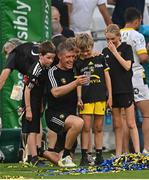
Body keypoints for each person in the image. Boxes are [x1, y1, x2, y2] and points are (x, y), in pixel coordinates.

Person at [45, 39, 89, 167]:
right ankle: (65, 156)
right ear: (59, 56)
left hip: (70, 115)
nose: (71, 60)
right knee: (79, 122)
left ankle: (44, 152)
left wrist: (79, 97)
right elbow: (55, 92)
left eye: (73, 57)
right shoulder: (52, 72)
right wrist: (75, 83)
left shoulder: (74, 68)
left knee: (61, 162)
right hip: (55, 116)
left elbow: (87, 54)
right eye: (68, 57)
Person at [102, 24, 140, 156]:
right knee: (117, 125)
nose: (109, 42)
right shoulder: (104, 51)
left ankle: (138, 153)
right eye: (107, 39)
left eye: (112, 38)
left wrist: (114, 52)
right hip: (113, 92)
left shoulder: (126, 48)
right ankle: (118, 154)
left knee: (130, 123)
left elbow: (127, 66)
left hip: (126, 90)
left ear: (119, 36)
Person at [75, 33, 112, 165]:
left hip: (100, 98)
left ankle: (99, 155)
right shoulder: (78, 62)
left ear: (92, 46)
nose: (85, 53)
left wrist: (110, 96)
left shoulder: (100, 57)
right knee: (86, 128)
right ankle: (85, 155)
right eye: (82, 51)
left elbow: (107, 77)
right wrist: (79, 98)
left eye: (87, 50)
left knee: (98, 127)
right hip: (86, 99)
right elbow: (78, 82)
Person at [22, 41, 56, 165]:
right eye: (48, 58)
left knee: (36, 129)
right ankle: (33, 158)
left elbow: (40, 89)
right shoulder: (36, 69)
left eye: (52, 58)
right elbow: (27, 89)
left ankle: (34, 155)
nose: (51, 60)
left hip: (37, 102)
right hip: (30, 102)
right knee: (32, 130)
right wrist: (28, 108)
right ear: (40, 56)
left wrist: (41, 104)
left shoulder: (46, 67)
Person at [120, 7, 149, 153]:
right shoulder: (137, 36)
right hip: (136, 76)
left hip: (121, 80)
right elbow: (143, 57)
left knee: (125, 117)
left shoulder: (116, 34)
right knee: (146, 114)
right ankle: (146, 150)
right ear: (137, 21)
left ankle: (124, 151)